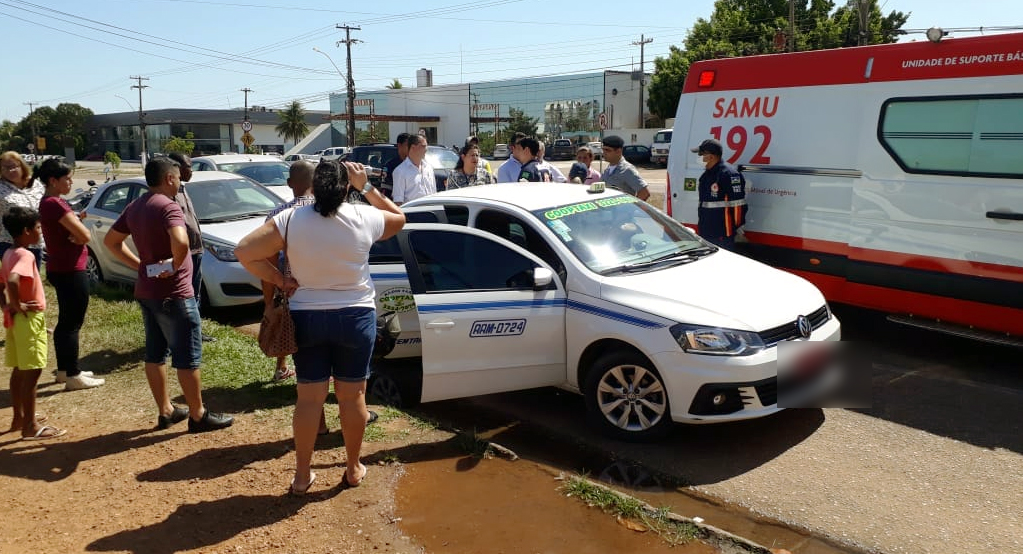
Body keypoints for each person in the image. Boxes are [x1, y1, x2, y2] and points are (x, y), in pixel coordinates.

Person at [235, 160, 405, 495]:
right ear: (345, 188)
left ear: (313, 187)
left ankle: (302, 476)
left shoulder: (290, 219)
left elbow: (244, 251)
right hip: (355, 317)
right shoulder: (364, 215)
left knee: (308, 399)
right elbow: (400, 218)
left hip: (307, 316)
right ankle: (353, 468)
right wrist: (366, 187)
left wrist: (281, 280)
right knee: (353, 396)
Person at [103, 157, 234, 433]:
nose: (179, 182)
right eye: (177, 177)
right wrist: (174, 265)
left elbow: (111, 242)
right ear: (169, 179)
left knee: (155, 353)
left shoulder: (136, 205)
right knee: (187, 356)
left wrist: (139, 265)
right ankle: (198, 415)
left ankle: (166, 411)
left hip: (147, 292)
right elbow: (181, 240)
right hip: (175, 294)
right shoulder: (168, 206)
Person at [36, 158, 105, 391]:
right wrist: (79, 231)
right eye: (67, 178)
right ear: (53, 181)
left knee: (66, 321)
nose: (71, 182)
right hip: (70, 268)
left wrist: (77, 227)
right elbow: (84, 236)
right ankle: (73, 374)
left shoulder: (49, 202)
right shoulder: (55, 204)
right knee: (72, 323)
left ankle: (65, 370)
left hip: (61, 266)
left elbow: (76, 231)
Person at [2, 206, 66, 440]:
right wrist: (18, 304)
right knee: (32, 371)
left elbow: (2, 282)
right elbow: (12, 280)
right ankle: (30, 425)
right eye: (38, 228)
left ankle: (19, 417)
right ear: (27, 230)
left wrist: (7, 305)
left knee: (20, 370)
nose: (40, 231)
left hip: (17, 320)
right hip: (28, 317)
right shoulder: (26, 255)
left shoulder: (9, 252)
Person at [167, 152, 215, 343]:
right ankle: (180, 335)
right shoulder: (169, 194)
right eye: (188, 167)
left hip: (196, 251)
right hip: (183, 254)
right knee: (183, 296)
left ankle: (195, 332)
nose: (191, 171)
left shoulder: (183, 189)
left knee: (195, 294)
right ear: (177, 168)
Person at [691, 138, 747, 250]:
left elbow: (738, 207)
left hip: (722, 235)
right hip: (706, 232)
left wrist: (734, 229)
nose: (699, 157)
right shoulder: (706, 175)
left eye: (701, 154)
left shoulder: (729, 175)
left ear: (711, 156)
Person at [0, 151, 45, 266]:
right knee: (17, 279)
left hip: (36, 241)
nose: (10, 171)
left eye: (13, 166)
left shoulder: (36, 184)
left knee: (34, 279)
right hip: (10, 243)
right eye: (5, 168)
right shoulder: (1, 188)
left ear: (22, 165)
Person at [600, 135, 651, 201]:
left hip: (620, 210)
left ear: (618, 151)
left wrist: (630, 208)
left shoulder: (627, 170)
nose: (604, 153)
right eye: (603, 149)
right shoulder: (608, 170)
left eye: (607, 150)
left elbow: (644, 193)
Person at [391, 134, 435, 205]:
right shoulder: (400, 171)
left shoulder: (429, 168)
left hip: (431, 212)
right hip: (412, 213)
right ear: (413, 147)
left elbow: (434, 193)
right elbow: (398, 201)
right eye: (423, 146)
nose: (426, 149)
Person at [382, 132, 411, 199]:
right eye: (407, 145)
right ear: (399, 145)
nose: (410, 148)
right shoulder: (390, 165)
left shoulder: (413, 164)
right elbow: (386, 190)